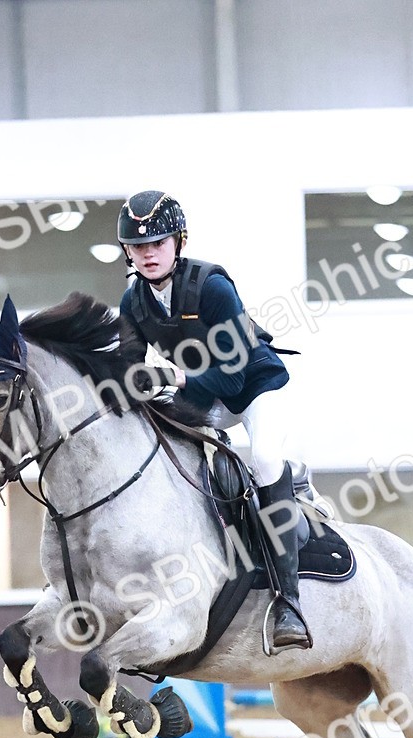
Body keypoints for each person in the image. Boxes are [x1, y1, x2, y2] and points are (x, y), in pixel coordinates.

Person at [117, 189, 311, 652]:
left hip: (255, 387)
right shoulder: (133, 303)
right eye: (138, 247)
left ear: (178, 242)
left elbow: (233, 377)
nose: (148, 254)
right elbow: (127, 370)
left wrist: (171, 377)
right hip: (202, 394)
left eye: (158, 243)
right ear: (127, 251)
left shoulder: (212, 287)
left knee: (265, 458)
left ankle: (288, 601)